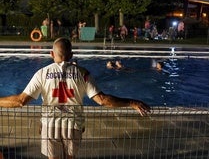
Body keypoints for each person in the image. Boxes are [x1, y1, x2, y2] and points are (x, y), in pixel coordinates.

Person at [0, 37, 150, 159]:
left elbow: (20, 101)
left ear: (51, 54)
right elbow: (103, 100)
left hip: (50, 124)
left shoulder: (42, 73)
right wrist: (132, 102)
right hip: (73, 124)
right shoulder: (83, 73)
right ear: (71, 55)